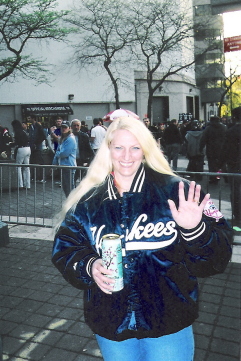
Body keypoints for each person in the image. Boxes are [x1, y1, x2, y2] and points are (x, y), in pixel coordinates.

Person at [52, 115, 232, 361]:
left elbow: (217, 259)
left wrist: (195, 230)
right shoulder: (88, 201)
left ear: (146, 149)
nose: (127, 156)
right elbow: (65, 249)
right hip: (110, 323)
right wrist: (89, 266)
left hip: (169, 321)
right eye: (119, 147)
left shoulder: (180, 192)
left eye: (135, 147)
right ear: (108, 150)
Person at [219, 106, 241, 232]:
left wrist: (220, 164)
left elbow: (225, 150)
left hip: (235, 166)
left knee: (236, 191)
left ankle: (238, 217)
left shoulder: (231, 131)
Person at [52, 120, 77, 197]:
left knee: (69, 188)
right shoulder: (63, 139)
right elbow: (59, 152)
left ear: (69, 128)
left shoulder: (70, 139)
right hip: (64, 166)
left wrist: (58, 154)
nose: (63, 129)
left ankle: (72, 206)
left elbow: (64, 153)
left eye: (65, 127)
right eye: (62, 127)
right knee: (66, 188)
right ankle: (70, 205)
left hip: (68, 166)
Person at [199, 116, 227, 183]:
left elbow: (203, 139)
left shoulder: (208, 129)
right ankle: (226, 177)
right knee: (222, 164)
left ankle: (213, 178)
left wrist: (200, 148)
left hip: (211, 149)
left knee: (212, 164)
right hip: (221, 149)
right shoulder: (224, 128)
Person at [11, 120, 31, 189]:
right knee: (27, 167)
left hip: (21, 149)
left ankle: (20, 184)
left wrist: (10, 144)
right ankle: (27, 185)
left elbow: (17, 142)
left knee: (18, 166)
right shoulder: (24, 131)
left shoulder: (17, 132)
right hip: (28, 148)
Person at [27, 115, 46, 182]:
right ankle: (34, 176)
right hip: (32, 147)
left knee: (40, 162)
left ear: (33, 118)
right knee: (33, 162)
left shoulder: (38, 126)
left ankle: (41, 177)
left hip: (37, 147)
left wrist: (36, 143)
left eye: (29, 118)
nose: (28, 120)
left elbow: (43, 136)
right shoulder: (31, 127)